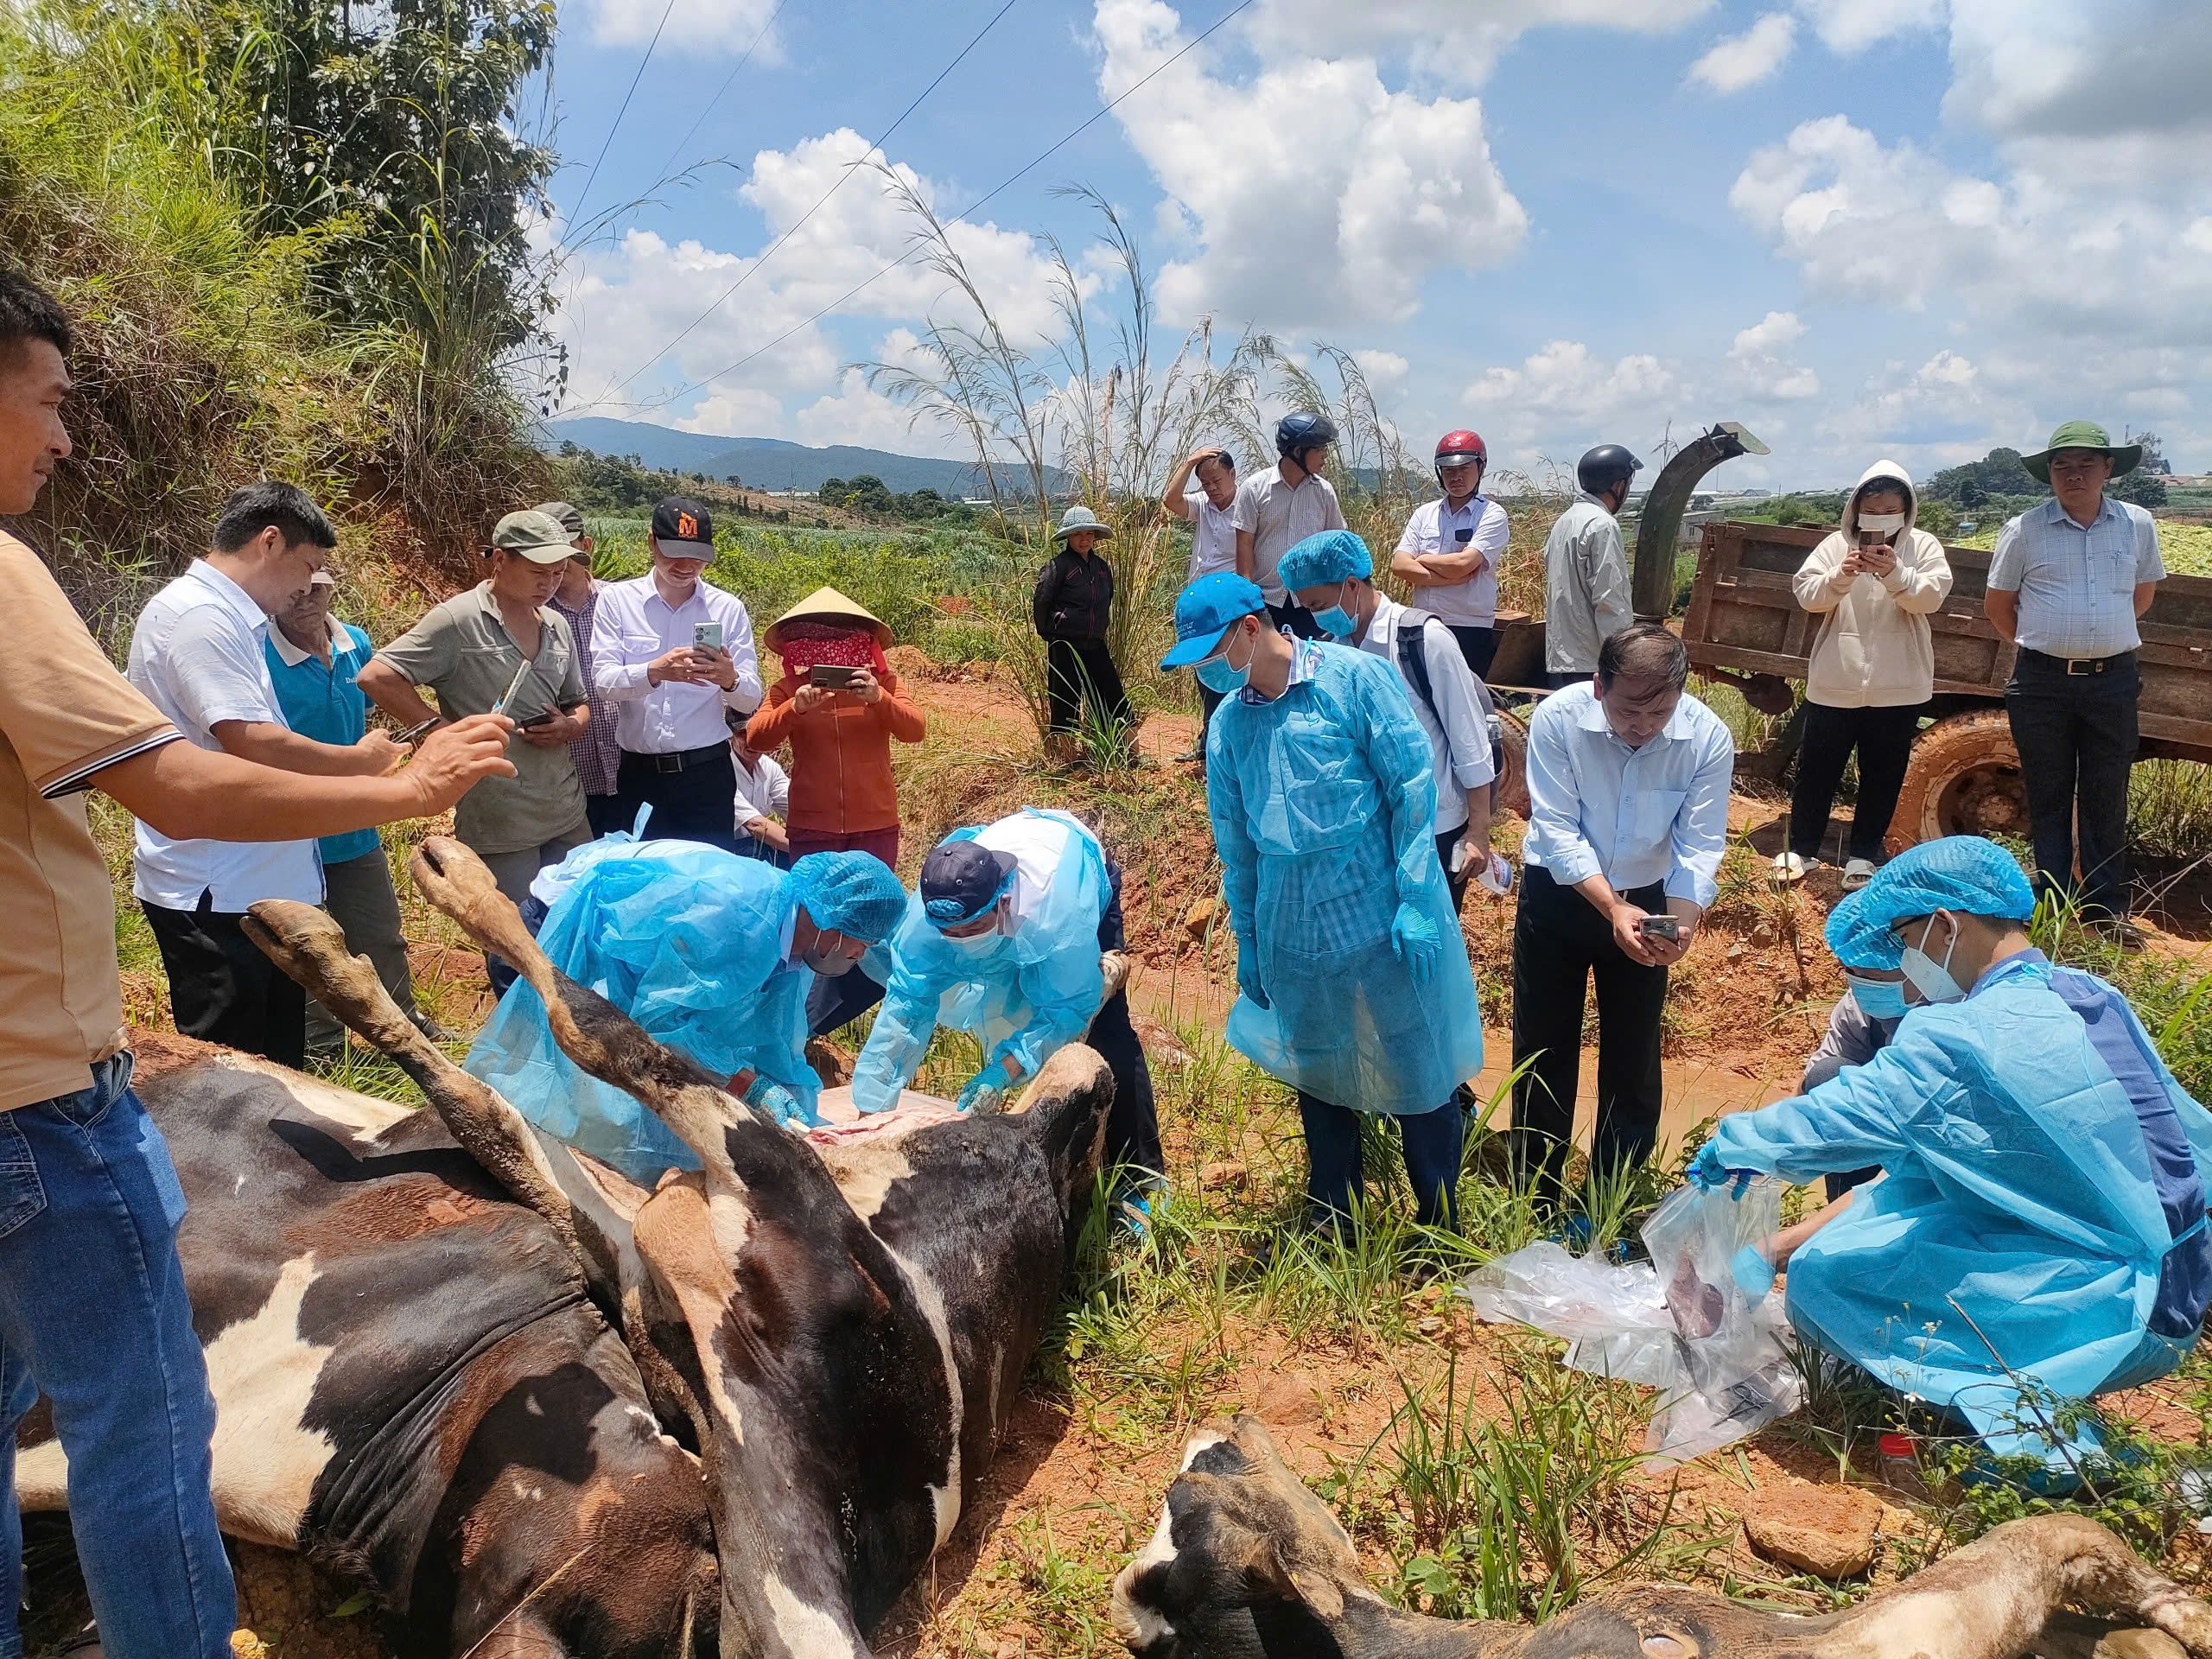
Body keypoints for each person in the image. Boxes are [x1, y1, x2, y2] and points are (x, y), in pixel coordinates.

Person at [0, 268, 513, 1659]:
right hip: (38, 1082)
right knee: (149, 1410)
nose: (63, 442)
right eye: (48, 405)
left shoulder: (254, 615)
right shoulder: (30, 577)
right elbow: (188, 780)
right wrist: (404, 790)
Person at [1692, 836, 2212, 1471]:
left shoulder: (1962, 1033)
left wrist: (1739, 1144)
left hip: (2113, 1312)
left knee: (1827, 1279)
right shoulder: (2090, 995)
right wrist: (1770, 1245)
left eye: (1907, 943)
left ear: (1943, 926)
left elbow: (1842, 1118)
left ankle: (2036, 1447)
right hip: (2183, 1283)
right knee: (1910, 1220)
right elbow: (1910, 1177)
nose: (1908, 965)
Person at [1161, 572, 1484, 1236]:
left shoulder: (1351, 680)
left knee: (1416, 1063)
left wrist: (1419, 899)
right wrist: (1250, 938)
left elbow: (1412, 791)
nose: (1206, 673)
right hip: (1292, 925)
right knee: (1319, 1068)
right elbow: (1237, 845)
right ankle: (1336, 1213)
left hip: (1375, 910)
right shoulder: (1229, 727)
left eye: (1209, 655)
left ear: (1251, 628)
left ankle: (1439, 1222)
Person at [128, 482, 408, 1067]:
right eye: (306, 566)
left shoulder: (231, 618)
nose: (307, 586)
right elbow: (251, 740)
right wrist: (361, 766)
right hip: (220, 888)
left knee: (273, 1065)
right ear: (269, 541)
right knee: (230, 1077)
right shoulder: (200, 617)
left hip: (249, 883)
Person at [465, 846, 907, 1184]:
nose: (857, 956)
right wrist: (747, 1084)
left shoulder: (796, 940)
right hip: (572, 928)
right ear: (832, 922)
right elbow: (658, 1024)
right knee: (580, 1091)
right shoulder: (738, 922)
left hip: (642, 962)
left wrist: (804, 1116)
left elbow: (779, 1040)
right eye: (861, 945)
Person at [1512, 624, 1732, 1209]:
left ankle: (1610, 1199)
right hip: (1560, 895)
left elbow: (1701, 842)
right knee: (1544, 1046)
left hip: (1651, 899)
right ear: (1598, 685)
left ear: (1681, 694)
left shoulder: (1706, 737)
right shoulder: (1558, 720)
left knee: (1634, 1053)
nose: (1643, 725)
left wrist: (1681, 924)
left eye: (1659, 711)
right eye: (1630, 709)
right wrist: (1611, 906)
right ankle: (1533, 1194)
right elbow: (1555, 827)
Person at [846, 810, 1166, 1201]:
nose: (960, 940)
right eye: (950, 932)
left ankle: (1140, 1183)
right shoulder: (925, 928)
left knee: (1108, 1034)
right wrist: (870, 1118)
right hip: (1008, 892)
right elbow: (905, 1013)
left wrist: (1001, 1072)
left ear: (1003, 902)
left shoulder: (1057, 917)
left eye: (972, 929)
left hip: (1080, 873)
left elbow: (1065, 1010)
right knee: (999, 1005)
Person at [359, 510, 594, 989]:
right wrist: (440, 731)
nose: (548, 583)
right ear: (500, 561)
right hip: (499, 811)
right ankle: (515, 1041)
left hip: (565, 806)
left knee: (576, 920)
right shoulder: (458, 620)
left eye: (557, 572)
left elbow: (578, 701)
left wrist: (569, 727)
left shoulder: (556, 625)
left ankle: (572, 1030)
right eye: (537, 571)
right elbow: (377, 676)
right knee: (513, 937)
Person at [1986, 421, 2166, 931]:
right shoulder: (2024, 529)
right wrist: (2047, 645)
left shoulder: (2137, 525)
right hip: (2042, 683)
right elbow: (1999, 606)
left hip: (2113, 680)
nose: (2073, 473)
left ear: (2109, 469)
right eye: (2061, 465)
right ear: (2049, 475)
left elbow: (2142, 597)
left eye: (2086, 463)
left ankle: (2107, 909)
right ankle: (2052, 904)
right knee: (2047, 792)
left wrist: (2098, 640)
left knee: (2107, 793)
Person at [264, 569, 450, 1050]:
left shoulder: (356, 643)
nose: (306, 599)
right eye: (297, 589)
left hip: (354, 820)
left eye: (318, 589)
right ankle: (324, 1045)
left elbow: (363, 716)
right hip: (293, 822)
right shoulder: (258, 652)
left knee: (379, 928)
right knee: (307, 936)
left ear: (333, 588)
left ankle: (403, 1023)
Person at [1281, 529, 1497, 910]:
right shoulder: (1334, 651)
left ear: (1351, 585)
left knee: (1432, 945)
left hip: (1436, 825)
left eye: (1318, 604)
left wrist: (1478, 829)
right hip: (1373, 831)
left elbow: (1469, 739)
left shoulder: (1422, 639)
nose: (1315, 617)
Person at [1777, 461, 1954, 889]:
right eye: (1871, 510)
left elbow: (1929, 598)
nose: (1881, 518)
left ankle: (1863, 855)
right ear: (1855, 509)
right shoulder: (1836, 545)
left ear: (1907, 510)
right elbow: (1807, 596)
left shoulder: (1924, 546)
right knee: (1818, 768)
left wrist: (1895, 573)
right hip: (1836, 680)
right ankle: (1800, 850)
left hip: (1899, 686)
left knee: (1883, 773)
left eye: (1891, 509)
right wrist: (1842, 574)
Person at [591, 496, 763, 851]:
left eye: (697, 556)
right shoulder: (617, 601)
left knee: (707, 879)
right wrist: (654, 671)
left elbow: (751, 698)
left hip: (707, 773)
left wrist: (729, 678)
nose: (685, 566)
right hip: (640, 774)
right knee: (642, 878)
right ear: (652, 542)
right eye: (674, 552)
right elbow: (604, 682)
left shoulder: (727, 609)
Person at [747, 586, 925, 866]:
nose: (830, 645)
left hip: (875, 824)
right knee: (814, 907)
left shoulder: (883, 683)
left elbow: (915, 731)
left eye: (840, 636)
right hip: (812, 826)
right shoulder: (789, 689)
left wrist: (879, 699)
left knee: (872, 907)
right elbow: (756, 738)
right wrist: (795, 708)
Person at [1390, 431, 1511, 678]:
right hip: (1423, 623)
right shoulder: (1425, 514)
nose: (1456, 477)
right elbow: (1400, 565)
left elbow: (1464, 563)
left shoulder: (1491, 515)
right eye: (1448, 470)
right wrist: (1451, 578)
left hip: (1469, 627)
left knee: (1467, 704)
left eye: (1464, 469)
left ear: (1481, 467)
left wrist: (1422, 560)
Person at [539, 500, 626, 836]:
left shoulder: (622, 603)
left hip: (632, 770)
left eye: (565, 548)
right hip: (568, 781)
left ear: (586, 546)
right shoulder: (530, 615)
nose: (555, 561)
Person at [1232, 412, 1345, 639]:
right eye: (1319, 449)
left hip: (1313, 602)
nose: (1325, 456)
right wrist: (1249, 603)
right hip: (1266, 601)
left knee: (1311, 667)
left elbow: (1335, 544)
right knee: (1267, 671)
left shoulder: (1324, 492)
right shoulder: (1254, 488)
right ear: (1297, 451)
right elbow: (1244, 546)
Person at [1541, 444, 1642, 689]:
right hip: (1593, 660)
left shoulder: (1565, 521)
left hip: (1562, 656)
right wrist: (1621, 659)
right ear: (1619, 485)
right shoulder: (1602, 524)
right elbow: (1610, 599)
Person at [1033, 505, 1133, 746]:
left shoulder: (1101, 568)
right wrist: (1052, 634)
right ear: (1068, 536)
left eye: (1089, 533)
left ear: (1095, 536)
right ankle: (1067, 761)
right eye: (1078, 534)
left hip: (1095, 644)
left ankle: (1128, 754)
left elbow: (1107, 599)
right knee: (1065, 702)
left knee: (1113, 697)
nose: (1084, 539)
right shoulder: (1058, 567)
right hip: (1065, 645)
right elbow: (1042, 602)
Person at [1162, 445, 1239, 759]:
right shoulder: (1202, 505)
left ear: (1233, 474)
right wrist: (1190, 461)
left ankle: (1229, 746)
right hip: (1200, 602)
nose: (1211, 489)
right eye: (1205, 483)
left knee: (1234, 674)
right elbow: (1170, 500)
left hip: (1230, 603)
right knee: (1205, 675)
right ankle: (1208, 742)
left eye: (1217, 481)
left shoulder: (1249, 504)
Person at [728, 710, 791, 867]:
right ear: (729, 735)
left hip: (756, 848)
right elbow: (755, 825)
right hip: (724, 854)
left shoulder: (769, 767)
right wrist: (809, 850)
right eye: (743, 733)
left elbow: (797, 810)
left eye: (759, 732)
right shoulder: (719, 770)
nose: (752, 740)